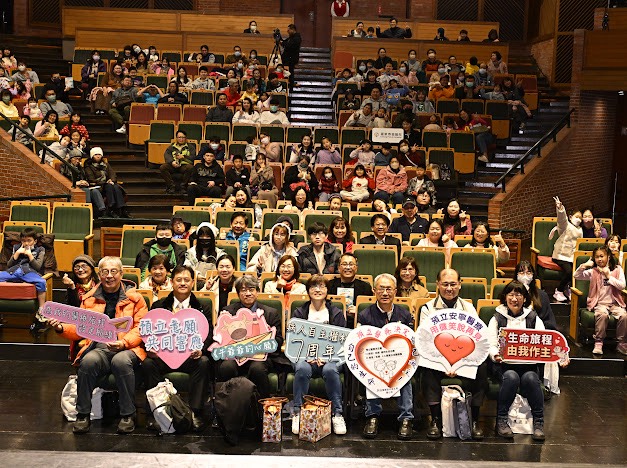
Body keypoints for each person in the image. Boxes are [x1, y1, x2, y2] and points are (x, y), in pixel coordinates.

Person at [48, 256, 147, 434]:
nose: (109, 276)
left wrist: (123, 342)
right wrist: (61, 328)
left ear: (121, 274)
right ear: (99, 274)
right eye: (105, 272)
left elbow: (141, 327)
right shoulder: (89, 298)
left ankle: (128, 414)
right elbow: (80, 328)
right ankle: (83, 414)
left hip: (128, 346)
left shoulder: (136, 299)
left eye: (113, 271)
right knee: (88, 361)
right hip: (99, 346)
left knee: (120, 361)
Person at [142, 265, 211, 432]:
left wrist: (201, 350)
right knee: (148, 363)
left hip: (189, 357)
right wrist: (152, 349)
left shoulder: (202, 307)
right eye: (178, 280)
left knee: (203, 362)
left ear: (193, 282)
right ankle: (156, 412)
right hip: (164, 357)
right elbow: (148, 331)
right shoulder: (159, 305)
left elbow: (209, 334)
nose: (182, 283)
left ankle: (195, 412)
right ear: (171, 282)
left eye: (186, 280)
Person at [419, 268, 486, 440]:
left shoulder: (469, 308)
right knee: (426, 366)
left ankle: (475, 420)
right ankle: (435, 420)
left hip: (463, 359)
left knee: (482, 365)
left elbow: (475, 339)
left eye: (453, 284)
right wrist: (445, 363)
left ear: (460, 285)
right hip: (437, 360)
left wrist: (458, 364)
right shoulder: (427, 308)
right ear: (438, 285)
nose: (449, 288)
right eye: (445, 284)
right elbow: (425, 342)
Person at [488, 280, 549, 441]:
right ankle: (501, 420)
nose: (514, 299)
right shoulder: (497, 318)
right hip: (504, 366)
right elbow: (490, 344)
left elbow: (543, 342)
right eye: (511, 294)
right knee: (511, 377)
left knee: (531, 378)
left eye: (518, 295)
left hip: (528, 366)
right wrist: (495, 355)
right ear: (505, 297)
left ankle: (538, 422)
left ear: (525, 298)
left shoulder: (533, 318)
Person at [359, 273, 414, 439]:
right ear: (374, 291)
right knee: (370, 373)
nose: (385, 293)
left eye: (389, 289)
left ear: (395, 291)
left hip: (400, 361)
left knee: (405, 374)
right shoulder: (365, 315)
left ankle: (406, 418)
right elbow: (360, 344)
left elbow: (411, 343)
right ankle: (372, 416)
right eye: (381, 289)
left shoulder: (404, 314)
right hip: (373, 361)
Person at [291, 274, 347, 435]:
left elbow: (342, 342)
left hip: (330, 358)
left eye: (322, 286)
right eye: (313, 286)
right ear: (308, 291)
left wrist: (326, 357)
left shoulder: (335, 313)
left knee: (330, 370)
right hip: (305, 357)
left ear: (327, 290)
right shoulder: (299, 312)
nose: (317, 289)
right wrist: (308, 356)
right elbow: (294, 340)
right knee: (302, 368)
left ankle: (337, 414)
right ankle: (298, 412)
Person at [216, 275, 285, 398]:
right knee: (227, 367)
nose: (247, 293)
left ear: (257, 292)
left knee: (257, 368)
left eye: (251, 289)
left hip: (261, 357)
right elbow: (219, 338)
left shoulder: (270, 313)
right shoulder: (228, 312)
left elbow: (278, 340)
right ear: (238, 294)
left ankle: (262, 403)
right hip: (235, 355)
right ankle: (228, 404)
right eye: (243, 290)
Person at [574, 245, 627, 355]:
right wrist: (584, 265)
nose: (599, 259)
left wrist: (609, 277)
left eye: (602, 256)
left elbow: (622, 286)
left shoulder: (617, 269)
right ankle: (599, 341)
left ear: (608, 257)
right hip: (600, 304)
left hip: (615, 304)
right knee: (602, 315)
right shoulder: (593, 271)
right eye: (596, 257)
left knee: (624, 315)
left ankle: (621, 343)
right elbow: (576, 276)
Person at [0, 228, 48, 316]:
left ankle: (41, 309)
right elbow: (9, 265)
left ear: (35, 241)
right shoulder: (16, 247)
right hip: (13, 272)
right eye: (23, 241)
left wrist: (30, 255)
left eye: (29, 240)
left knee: (41, 282)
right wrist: (17, 253)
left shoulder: (40, 249)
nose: (26, 243)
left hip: (29, 272)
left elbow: (37, 267)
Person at [551, 196, 582, 302]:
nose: (579, 219)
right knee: (569, 272)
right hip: (560, 255)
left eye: (580, 218)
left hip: (572, 257)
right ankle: (558, 291)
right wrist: (560, 209)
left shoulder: (580, 229)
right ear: (570, 217)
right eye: (577, 217)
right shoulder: (566, 225)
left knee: (577, 272)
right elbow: (561, 219)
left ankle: (568, 289)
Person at [84, 147, 130, 218]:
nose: (98, 156)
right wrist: (105, 182)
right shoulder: (88, 166)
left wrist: (111, 180)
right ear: (92, 156)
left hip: (108, 185)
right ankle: (112, 208)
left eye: (99, 154)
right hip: (98, 186)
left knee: (115, 187)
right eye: (96, 155)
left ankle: (121, 209)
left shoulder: (105, 164)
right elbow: (91, 179)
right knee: (110, 186)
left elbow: (112, 174)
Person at [515, 260, 557, 330]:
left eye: (528, 273)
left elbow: (549, 321)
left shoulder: (542, 295)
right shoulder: (508, 294)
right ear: (516, 275)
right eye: (521, 273)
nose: (525, 276)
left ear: (533, 275)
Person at [160, 130, 196, 194]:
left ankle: (183, 186)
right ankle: (171, 186)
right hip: (173, 165)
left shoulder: (190, 147)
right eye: (179, 137)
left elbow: (193, 157)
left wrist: (184, 157)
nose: (181, 139)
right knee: (163, 167)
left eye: (183, 137)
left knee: (190, 168)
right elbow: (167, 155)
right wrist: (172, 162)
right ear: (176, 138)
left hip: (184, 166)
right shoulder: (171, 147)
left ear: (186, 138)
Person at [280, 24, 302, 89]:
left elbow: (289, 45)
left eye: (288, 30)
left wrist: (283, 43)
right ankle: (290, 83)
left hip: (291, 58)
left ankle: (291, 84)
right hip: (287, 58)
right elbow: (285, 42)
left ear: (293, 30)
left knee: (290, 71)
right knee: (288, 71)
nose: (288, 31)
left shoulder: (297, 38)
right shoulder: (291, 37)